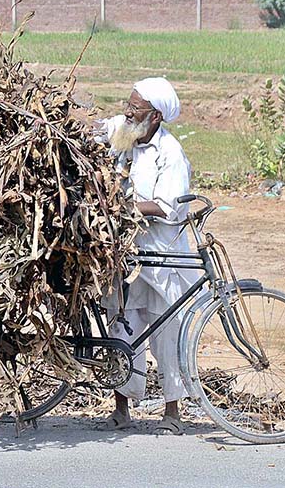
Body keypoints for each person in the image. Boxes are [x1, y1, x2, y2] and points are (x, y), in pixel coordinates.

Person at [99, 77, 197, 435]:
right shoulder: (126, 135)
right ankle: (121, 409)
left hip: (161, 255)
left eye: (135, 108)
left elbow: (166, 206)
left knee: (165, 332)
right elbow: (95, 130)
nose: (128, 112)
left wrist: (120, 206)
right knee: (122, 327)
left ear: (154, 116)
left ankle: (172, 412)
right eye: (127, 104)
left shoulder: (169, 154)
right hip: (126, 254)